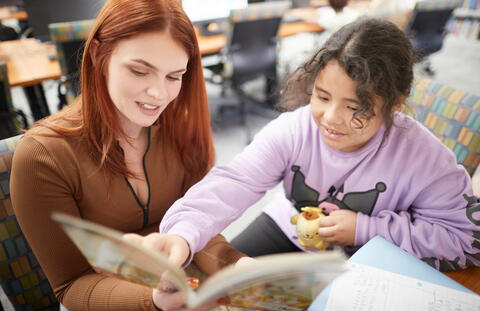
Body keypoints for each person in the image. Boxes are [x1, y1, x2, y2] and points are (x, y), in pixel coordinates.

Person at [157, 18, 480, 271]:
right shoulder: (295, 129)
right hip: (290, 228)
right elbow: (235, 181)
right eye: (322, 96)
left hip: (371, 256)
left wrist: (366, 229)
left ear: (396, 102)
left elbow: (464, 240)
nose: (331, 118)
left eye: (356, 107)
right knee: (227, 285)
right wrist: (182, 232)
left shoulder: (425, 158)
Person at [10, 0, 247, 311]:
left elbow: (198, 229)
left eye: (174, 77)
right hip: (101, 299)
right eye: (139, 71)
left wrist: (235, 264)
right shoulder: (42, 157)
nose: (159, 94)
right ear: (97, 54)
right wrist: (154, 300)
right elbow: (72, 284)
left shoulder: (180, 130)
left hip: (177, 283)